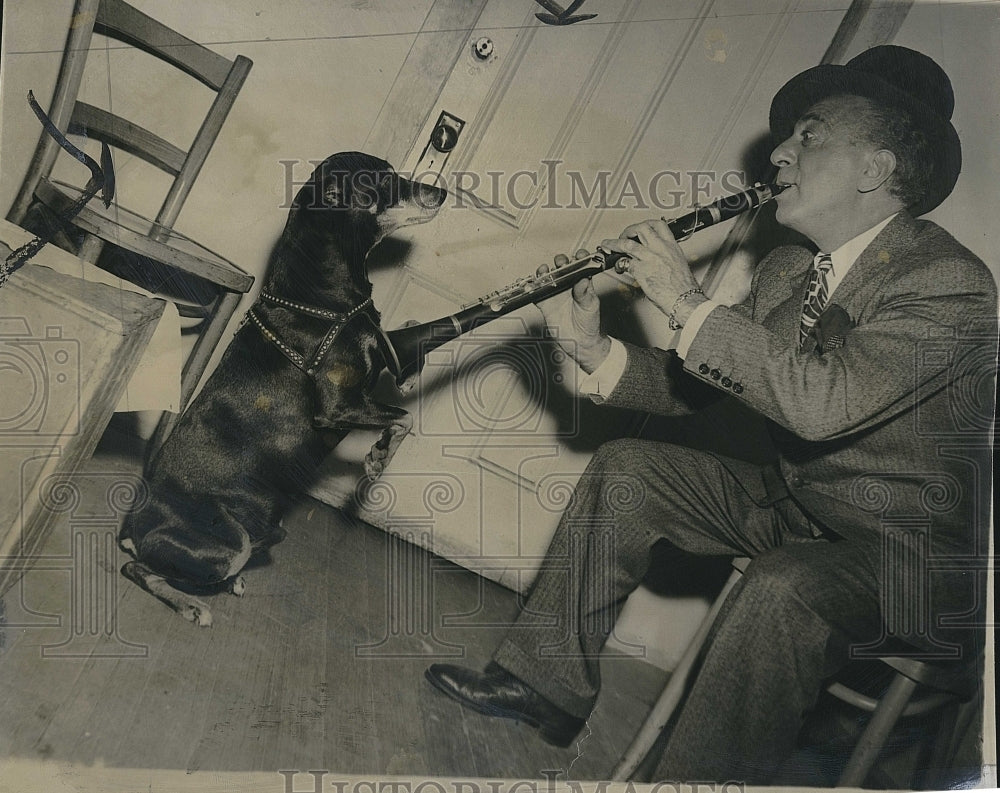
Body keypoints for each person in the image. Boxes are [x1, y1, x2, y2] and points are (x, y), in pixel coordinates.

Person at [424, 46, 997, 784]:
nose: (780, 152)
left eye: (809, 134)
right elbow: (694, 385)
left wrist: (683, 299)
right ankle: (544, 685)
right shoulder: (791, 267)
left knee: (785, 587)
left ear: (873, 169)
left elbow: (822, 407)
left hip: (909, 557)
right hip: (799, 508)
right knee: (632, 467)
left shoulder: (950, 283)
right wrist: (592, 347)